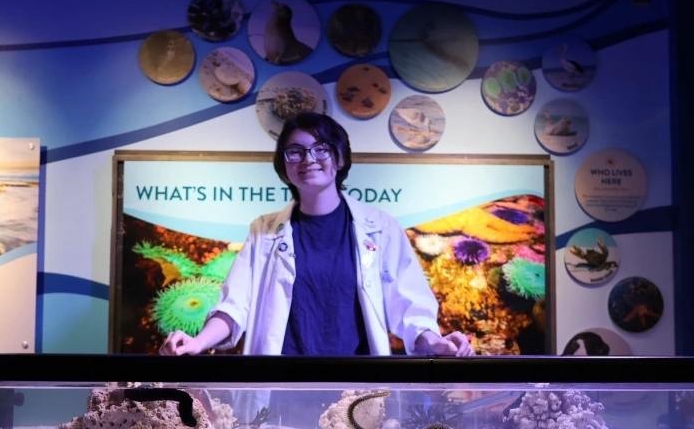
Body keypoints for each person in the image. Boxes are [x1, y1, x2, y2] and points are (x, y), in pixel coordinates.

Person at [159, 112, 474, 357]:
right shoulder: (264, 231)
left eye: (320, 149)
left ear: (339, 159)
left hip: (359, 389)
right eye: (294, 152)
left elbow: (408, 305)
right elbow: (235, 304)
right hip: (283, 387)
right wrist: (197, 342)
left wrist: (436, 342)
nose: (308, 160)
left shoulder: (382, 227)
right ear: (284, 166)